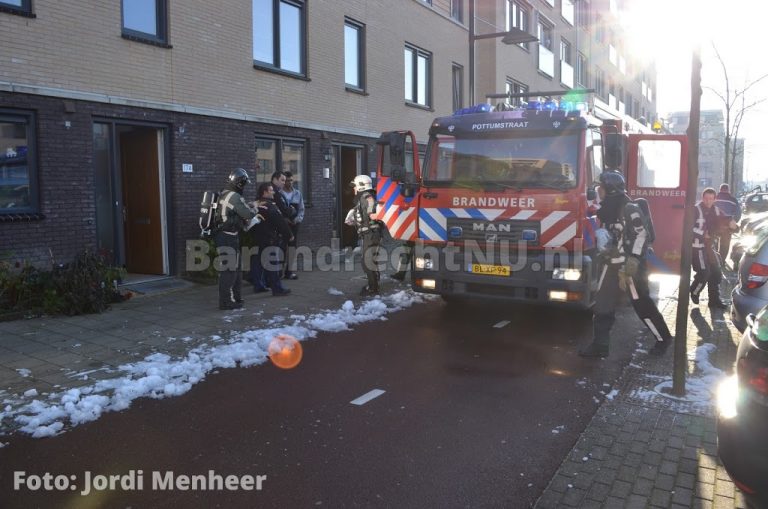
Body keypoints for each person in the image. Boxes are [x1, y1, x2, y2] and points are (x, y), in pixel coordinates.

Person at [579, 170, 673, 358]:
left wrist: (632, 262)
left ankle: (663, 339)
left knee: (642, 304)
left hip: (630, 267)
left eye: (601, 188)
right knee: (602, 305)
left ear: (611, 189)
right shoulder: (606, 209)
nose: (599, 191)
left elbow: (642, 234)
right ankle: (600, 345)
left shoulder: (629, 208)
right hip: (610, 264)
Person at [215, 168, 257, 310]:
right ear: (239, 183)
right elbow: (248, 214)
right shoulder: (234, 196)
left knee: (236, 269)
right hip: (227, 237)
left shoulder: (226, 193)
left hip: (228, 235)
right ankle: (225, 302)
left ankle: (236, 298)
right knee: (229, 270)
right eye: (244, 184)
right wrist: (255, 208)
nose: (244, 186)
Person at [691, 188, 736, 309]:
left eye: (711, 198)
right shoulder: (695, 210)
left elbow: (724, 220)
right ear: (702, 198)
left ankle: (714, 301)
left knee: (716, 273)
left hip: (710, 247)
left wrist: (733, 225)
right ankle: (694, 291)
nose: (708, 201)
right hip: (697, 247)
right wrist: (702, 234)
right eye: (706, 198)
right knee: (704, 273)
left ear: (714, 199)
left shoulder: (716, 210)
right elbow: (687, 228)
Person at [249, 182, 294, 297]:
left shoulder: (255, 204)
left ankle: (258, 285)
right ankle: (277, 288)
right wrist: (289, 235)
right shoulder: (270, 206)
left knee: (258, 262)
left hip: (257, 238)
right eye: (271, 190)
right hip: (269, 238)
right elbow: (280, 222)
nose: (273, 192)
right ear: (265, 192)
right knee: (273, 263)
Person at [346, 175, 382, 296]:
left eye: (355, 186)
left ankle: (373, 288)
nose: (354, 189)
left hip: (371, 234)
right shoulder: (365, 197)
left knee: (367, 262)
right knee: (369, 260)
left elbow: (372, 211)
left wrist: (372, 214)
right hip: (370, 234)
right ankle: (374, 282)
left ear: (361, 186)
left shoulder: (367, 197)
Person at [280, 170, 305, 280]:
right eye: (287, 181)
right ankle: (278, 272)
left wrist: (297, 219)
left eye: (291, 180)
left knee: (292, 248)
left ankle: (289, 272)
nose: (289, 183)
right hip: (282, 224)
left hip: (294, 224)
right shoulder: (279, 194)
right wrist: (283, 220)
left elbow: (301, 209)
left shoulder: (297, 193)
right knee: (281, 248)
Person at [714, 183, 741, 263]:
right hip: (727, 226)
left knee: (713, 241)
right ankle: (722, 260)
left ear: (720, 189)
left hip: (715, 224)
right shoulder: (733, 200)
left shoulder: (714, 198)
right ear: (728, 190)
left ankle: (714, 259)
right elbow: (738, 214)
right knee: (725, 244)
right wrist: (733, 222)